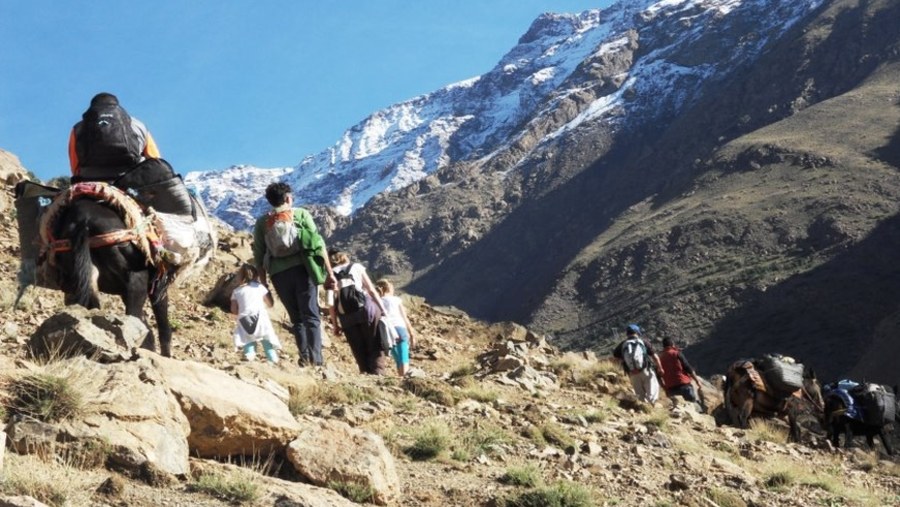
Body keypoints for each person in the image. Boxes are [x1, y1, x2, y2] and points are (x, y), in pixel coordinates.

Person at [252, 182, 337, 367]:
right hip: (303, 270)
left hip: (278, 275)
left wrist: (264, 284)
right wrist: (329, 273)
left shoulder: (262, 223)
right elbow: (318, 244)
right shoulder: (300, 214)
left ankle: (304, 358)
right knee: (311, 316)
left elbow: (258, 255)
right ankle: (317, 360)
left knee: (296, 318)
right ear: (288, 198)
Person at [68, 92, 161, 181]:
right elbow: (155, 159)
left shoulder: (78, 128)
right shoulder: (137, 124)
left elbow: (75, 166)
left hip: (90, 179)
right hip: (131, 178)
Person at [328, 250, 387, 375]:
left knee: (357, 347)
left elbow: (331, 303)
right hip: (366, 311)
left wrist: (335, 325)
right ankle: (378, 374)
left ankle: (365, 373)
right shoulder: (356, 267)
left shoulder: (330, 275)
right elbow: (371, 290)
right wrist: (382, 309)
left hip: (346, 317)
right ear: (344, 257)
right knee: (374, 342)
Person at [230, 263, 282, 364]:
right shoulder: (259, 287)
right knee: (266, 338)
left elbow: (234, 310)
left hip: (244, 318)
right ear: (255, 275)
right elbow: (270, 304)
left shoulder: (236, 291)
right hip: (260, 317)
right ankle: (272, 359)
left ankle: (249, 356)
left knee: (247, 338)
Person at [613, 324, 664, 405]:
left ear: (627, 333)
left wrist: (625, 363)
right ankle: (652, 408)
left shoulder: (623, 344)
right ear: (637, 332)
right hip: (646, 371)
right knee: (652, 392)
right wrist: (660, 368)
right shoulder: (643, 342)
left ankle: (644, 410)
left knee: (640, 396)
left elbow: (615, 357)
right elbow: (655, 357)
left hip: (632, 373)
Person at [374, 278, 416, 376]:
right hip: (400, 328)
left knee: (397, 357)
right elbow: (405, 318)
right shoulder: (397, 300)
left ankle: (400, 377)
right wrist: (412, 334)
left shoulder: (378, 301)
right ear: (389, 289)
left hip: (387, 331)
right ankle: (404, 379)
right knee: (403, 357)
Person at [658, 337, 703, 406]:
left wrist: (665, 389)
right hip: (684, 385)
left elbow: (659, 376)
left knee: (679, 407)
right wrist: (697, 381)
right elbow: (688, 368)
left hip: (671, 389)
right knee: (693, 405)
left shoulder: (660, 359)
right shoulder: (676, 354)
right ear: (672, 344)